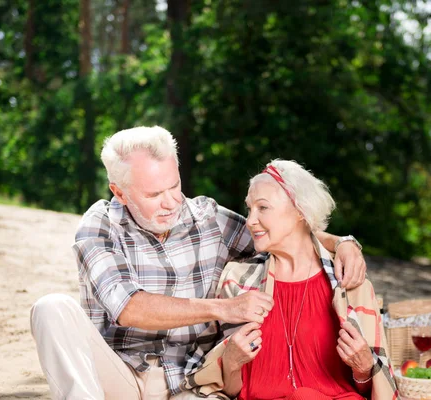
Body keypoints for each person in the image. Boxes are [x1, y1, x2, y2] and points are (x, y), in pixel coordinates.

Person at [29, 127, 368, 400]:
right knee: (50, 308)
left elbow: (281, 232)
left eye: (174, 186)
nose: (171, 202)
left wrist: (342, 242)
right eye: (153, 195)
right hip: (118, 375)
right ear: (120, 192)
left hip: (189, 383)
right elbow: (130, 308)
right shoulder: (99, 226)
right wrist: (224, 308)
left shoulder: (208, 218)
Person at [182, 159, 398, 400]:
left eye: (262, 208)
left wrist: (363, 368)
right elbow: (231, 390)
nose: (250, 221)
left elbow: (376, 390)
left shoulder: (348, 283)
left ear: (299, 211)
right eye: (249, 209)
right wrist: (230, 362)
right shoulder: (238, 280)